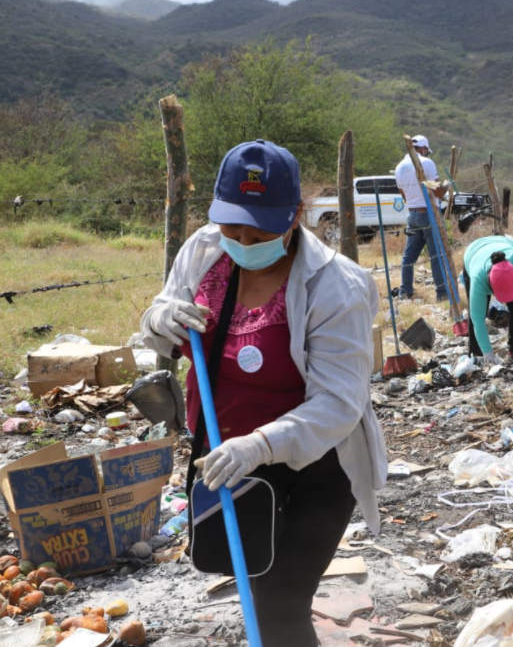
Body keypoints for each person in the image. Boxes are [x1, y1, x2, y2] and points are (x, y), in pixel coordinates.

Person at [140, 140, 387, 647]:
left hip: (313, 469)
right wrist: (160, 320)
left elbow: (340, 404)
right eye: (234, 229)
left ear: (296, 214)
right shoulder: (205, 250)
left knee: (279, 607)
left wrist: (260, 444)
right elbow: (161, 315)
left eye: (261, 231)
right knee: (253, 583)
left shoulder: (336, 287)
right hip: (228, 458)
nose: (245, 241)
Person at [463, 235, 513, 362]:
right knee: (477, 312)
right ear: (490, 284)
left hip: (502, 244)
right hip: (474, 252)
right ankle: (477, 353)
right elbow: (478, 320)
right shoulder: (478, 279)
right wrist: (488, 352)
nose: (503, 301)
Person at [394, 135, 448, 301]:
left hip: (412, 214)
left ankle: (405, 291)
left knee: (408, 257)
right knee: (436, 255)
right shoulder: (427, 163)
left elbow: (403, 194)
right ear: (423, 149)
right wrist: (446, 186)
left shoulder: (399, 167)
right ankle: (442, 293)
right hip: (429, 214)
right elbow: (436, 191)